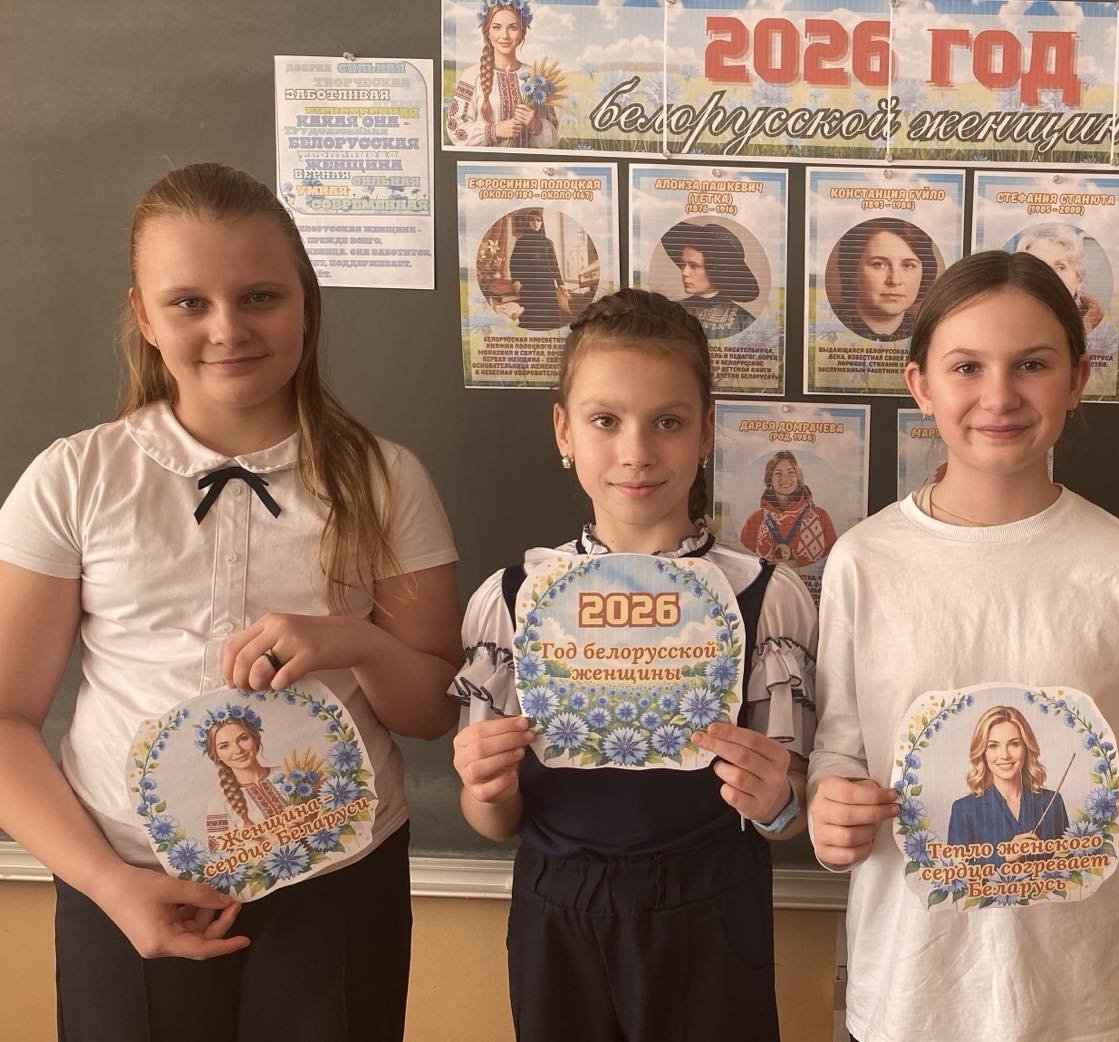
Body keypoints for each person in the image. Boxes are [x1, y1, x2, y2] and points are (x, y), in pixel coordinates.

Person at [0, 162, 461, 1042]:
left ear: (306, 304)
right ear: (144, 316)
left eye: (259, 297)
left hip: (336, 875)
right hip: (129, 875)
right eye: (188, 303)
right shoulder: (75, 478)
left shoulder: (385, 479)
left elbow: (436, 708)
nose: (227, 329)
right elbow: (4, 718)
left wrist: (355, 641)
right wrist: (109, 885)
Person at [808, 251, 1119, 1042]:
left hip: (1080, 1000)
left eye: (1032, 365)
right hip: (911, 994)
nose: (999, 395)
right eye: (966, 367)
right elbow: (839, 754)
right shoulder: (864, 561)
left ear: (1076, 379)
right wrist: (829, 813)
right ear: (921, 385)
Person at [448, 289, 817, 1042]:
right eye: (605, 420)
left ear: (707, 431)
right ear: (564, 430)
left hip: (711, 902)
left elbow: (789, 814)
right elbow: (492, 820)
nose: (637, 452)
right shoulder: (515, 601)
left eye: (668, 422)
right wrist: (484, 787)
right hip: (558, 906)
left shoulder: (763, 597)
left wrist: (778, 800)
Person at [945, 704, 1068, 863]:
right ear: (982, 752)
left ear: (1026, 748)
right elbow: (957, 873)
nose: (1004, 755)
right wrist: (1004, 856)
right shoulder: (964, 810)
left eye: (1014, 744)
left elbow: (1069, 866)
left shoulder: (1052, 802)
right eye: (993, 746)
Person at [445, 0, 561, 149]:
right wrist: (495, 131)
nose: (505, 35)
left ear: (522, 32)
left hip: (525, 162)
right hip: (483, 162)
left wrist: (535, 125)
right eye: (496, 27)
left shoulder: (536, 78)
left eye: (513, 27)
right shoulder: (471, 75)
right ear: (487, 32)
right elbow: (455, 128)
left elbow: (553, 135)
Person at [833, 217, 939, 342]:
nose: (894, 280)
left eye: (908, 265)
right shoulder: (827, 323)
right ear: (852, 271)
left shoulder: (930, 331)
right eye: (878, 264)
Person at [200, 710, 289, 846]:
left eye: (243, 738)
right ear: (217, 755)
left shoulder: (290, 773)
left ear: (255, 738)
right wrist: (271, 844)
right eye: (224, 746)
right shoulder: (218, 805)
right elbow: (220, 852)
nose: (238, 750)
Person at [661, 220, 760, 340]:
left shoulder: (744, 321)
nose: (684, 272)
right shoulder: (671, 312)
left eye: (694, 266)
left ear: (715, 269)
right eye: (683, 264)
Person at [738, 450, 838, 567]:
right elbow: (744, 563)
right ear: (769, 480)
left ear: (798, 478)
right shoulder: (755, 520)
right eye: (778, 473)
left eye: (791, 472)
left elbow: (833, 560)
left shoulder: (820, 517)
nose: (785, 478)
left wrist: (799, 564)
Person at [1016, 222, 1105, 333]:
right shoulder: (1007, 324)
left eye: (1060, 268)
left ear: (1078, 279)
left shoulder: (1104, 333)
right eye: (1038, 266)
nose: (1050, 277)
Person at [508, 209, 566, 331]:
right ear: (528, 222)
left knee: (548, 317)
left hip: (546, 285)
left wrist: (560, 283)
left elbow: (554, 264)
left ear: (542, 223)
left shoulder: (548, 243)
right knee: (531, 316)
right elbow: (514, 262)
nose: (535, 223)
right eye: (532, 220)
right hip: (529, 285)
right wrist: (516, 279)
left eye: (538, 220)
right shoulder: (521, 242)